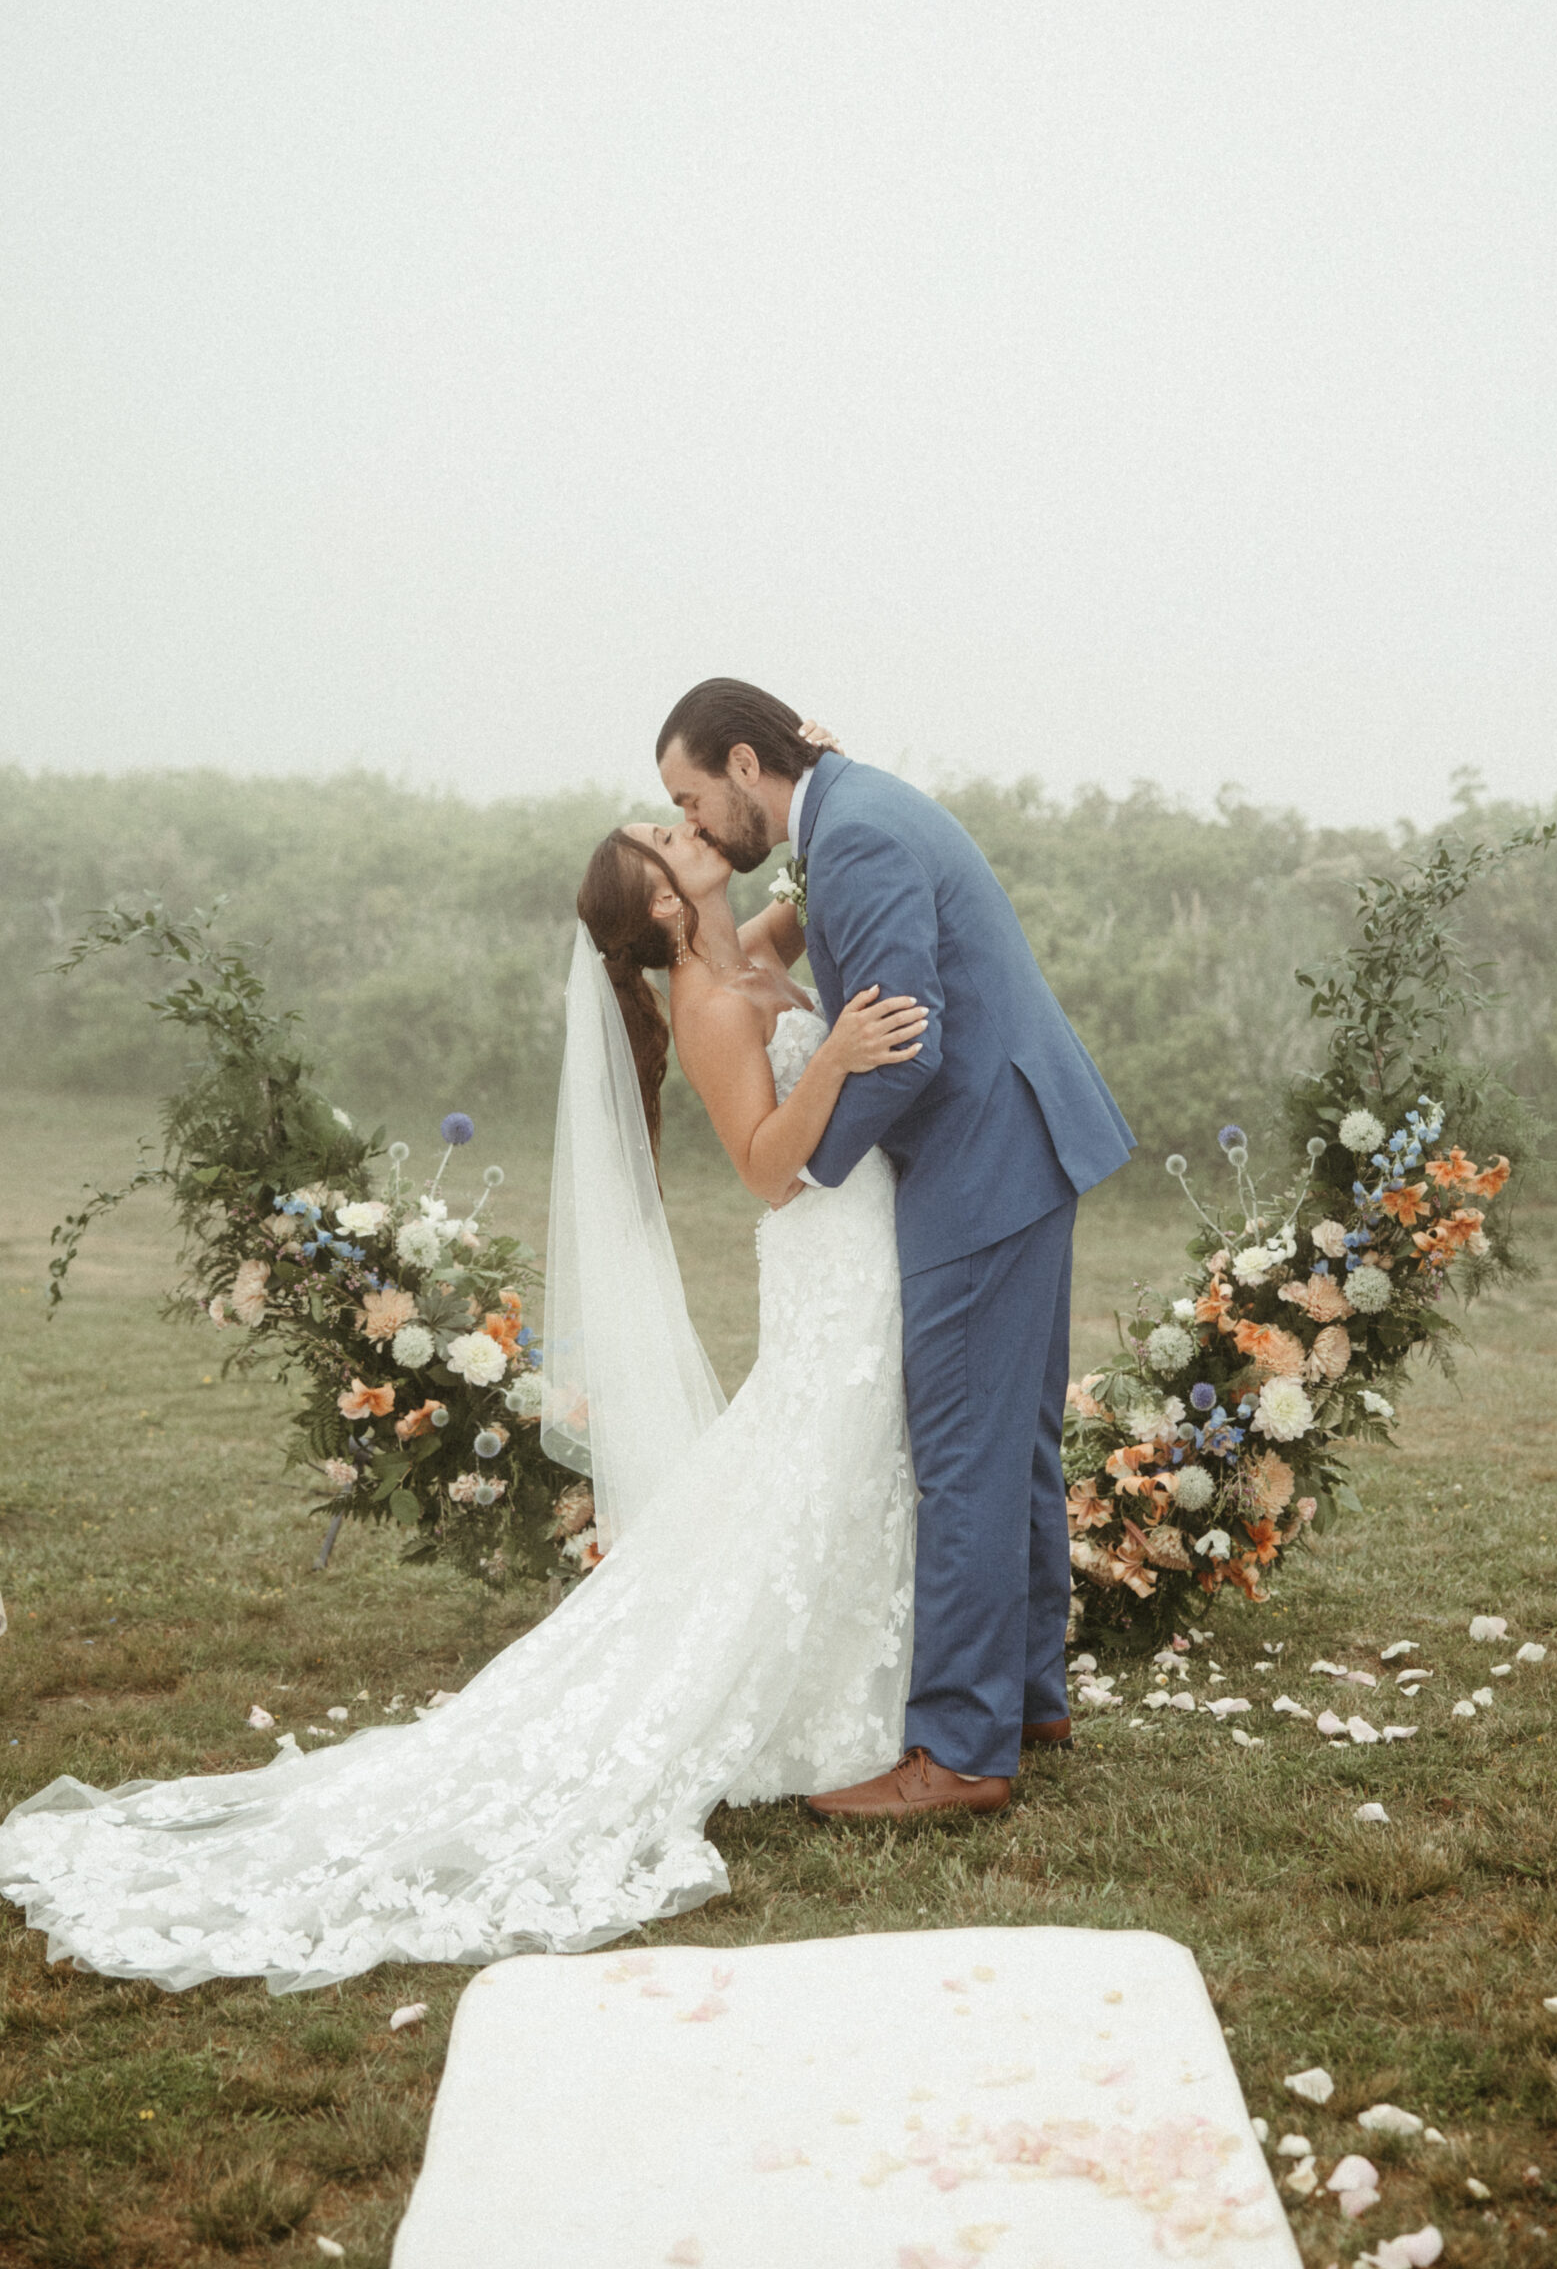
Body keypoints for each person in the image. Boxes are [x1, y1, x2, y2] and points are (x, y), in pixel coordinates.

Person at [0, 754, 929, 1991]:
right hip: (821, 1242)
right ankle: (829, 1703)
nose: (687, 821)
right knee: (816, 1454)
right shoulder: (709, 998)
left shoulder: (751, 942)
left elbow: (825, 860)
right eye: (667, 830)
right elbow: (763, 1166)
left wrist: (828, 778)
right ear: (660, 905)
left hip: (867, 1238)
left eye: (681, 809)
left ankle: (872, 1680)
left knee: (834, 1457)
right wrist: (838, 1053)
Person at [655, 680, 1134, 1818]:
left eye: (688, 797)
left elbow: (907, 1052)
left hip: (978, 1161)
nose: (694, 822)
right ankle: (1026, 1692)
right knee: (1012, 1441)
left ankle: (964, 1751)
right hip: (1022, 1141)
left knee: (965, 1454)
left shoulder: (854, 834)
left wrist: (815, 1172)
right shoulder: (854, 809)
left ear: (739, 762)